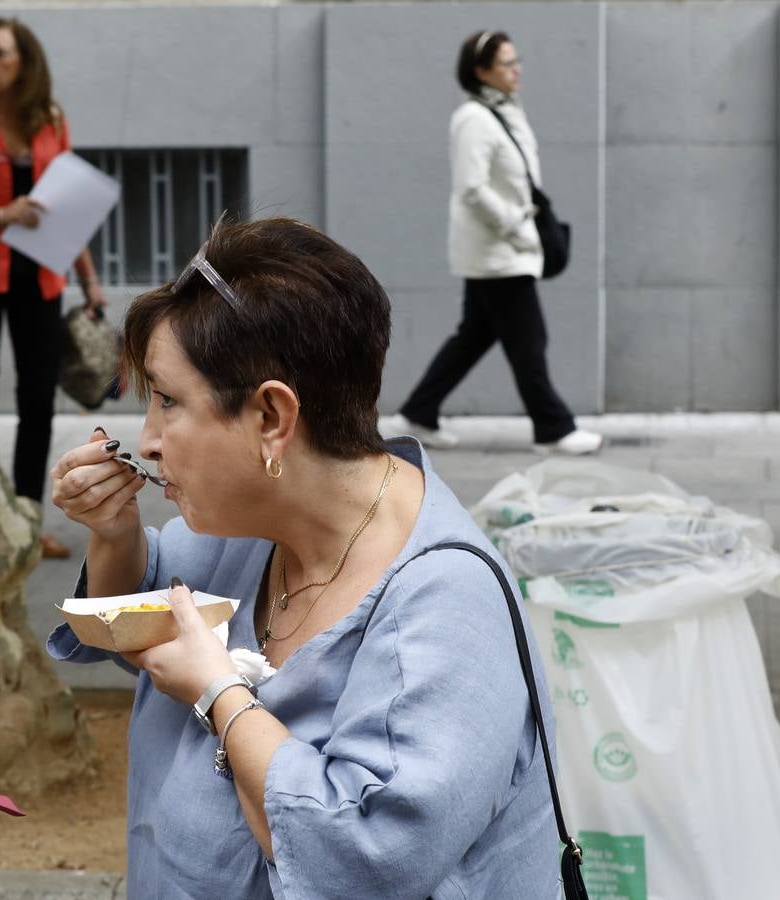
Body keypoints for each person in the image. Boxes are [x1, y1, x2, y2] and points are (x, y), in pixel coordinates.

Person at [48, 218, 563, 897]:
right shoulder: (240, 523)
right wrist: (116, 535)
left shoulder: (446, 608)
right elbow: (136, 628)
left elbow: (364, 859)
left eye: (169, 402)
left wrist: (219, 695)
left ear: (271, 418)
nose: (146, 442)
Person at [0, 16, 108, 559]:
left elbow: (65, 203)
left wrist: (89, 279)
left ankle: (27, 525)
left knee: (38, 403)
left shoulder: (51, 121)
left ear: (23, 62)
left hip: (42, 276)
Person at [396, 30, 602, 456]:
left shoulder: (504, 112)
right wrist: (515, 226)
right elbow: (471, 188)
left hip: (501, 250)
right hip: (498, 253)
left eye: (516, 60)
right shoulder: (474, 119)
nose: (516, 69)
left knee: (472, 337)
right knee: (529, 342)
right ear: (481, 72)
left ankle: (419, 411)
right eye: (506, 64)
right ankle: (553, 428)